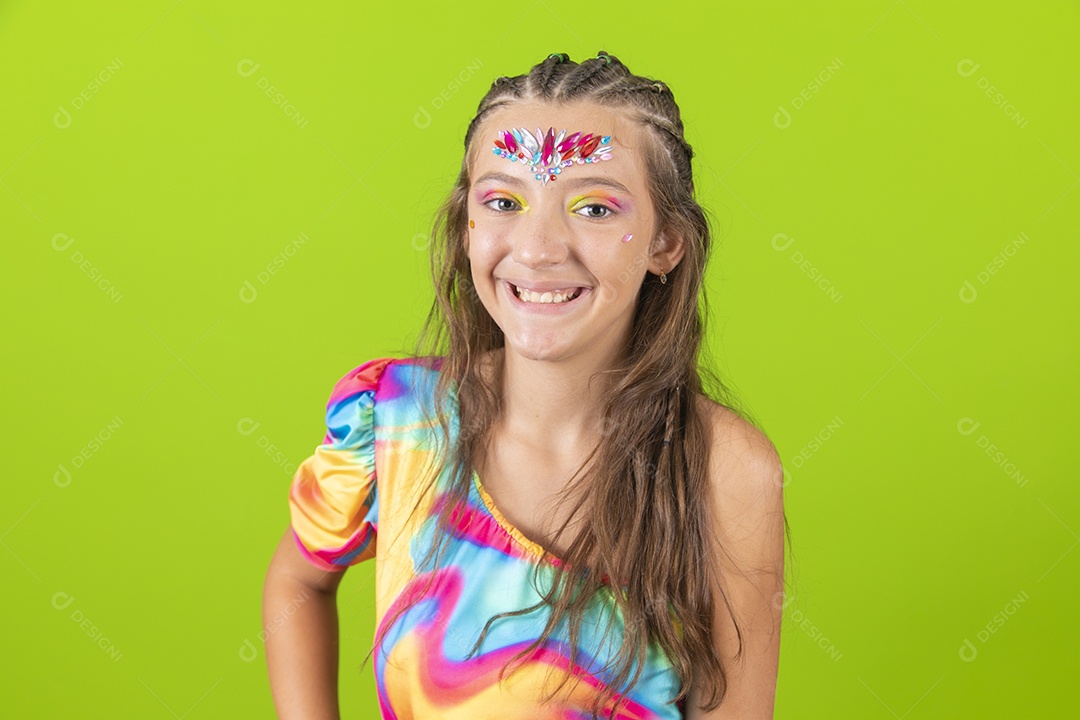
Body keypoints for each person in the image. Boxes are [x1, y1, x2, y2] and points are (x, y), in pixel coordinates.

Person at [262, 50, 790, 719]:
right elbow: (298, 582)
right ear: (467, 227)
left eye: (594, 208)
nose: (538, 249)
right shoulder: (397, 422)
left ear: (665, 243)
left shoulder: (725, 470)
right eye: (504, 201)